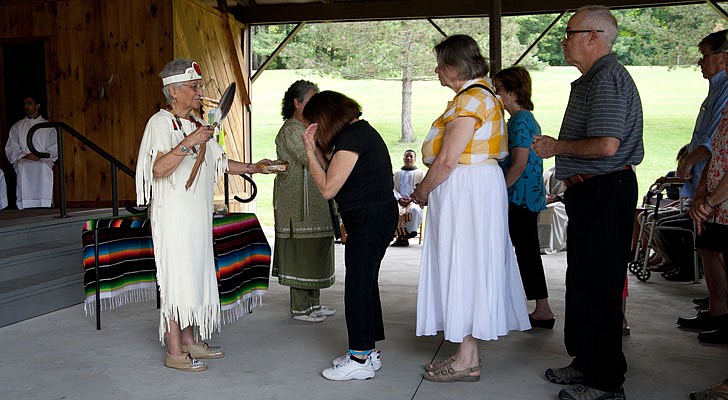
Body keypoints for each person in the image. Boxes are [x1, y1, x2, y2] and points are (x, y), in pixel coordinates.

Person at [532, 6, 644, 400]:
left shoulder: (608, 79)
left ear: (594, 36)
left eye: (570, 32)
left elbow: (606, 144)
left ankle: (606, 380)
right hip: (589, 191)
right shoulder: (590, 80)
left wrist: (554, 147)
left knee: (600, 286)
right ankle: (584, 361)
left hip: (605, 189)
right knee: (582, 282)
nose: (564, 40)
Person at [135, 58, 272, 372]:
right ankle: (174, 352)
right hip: (173, 217)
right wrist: (187, 144)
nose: (200, 92)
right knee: (174, 279)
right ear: (175, 91)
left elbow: (219, 162)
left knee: (193, 276)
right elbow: (157, 169)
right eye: (194, 87)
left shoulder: (197, 124)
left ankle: (190, 340)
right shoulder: (160, 123)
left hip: (196, 217)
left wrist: (254, 167)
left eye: (200, 86)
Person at [411, 34, 530, 383]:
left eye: (439, 64)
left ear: (452, 67)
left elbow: (448, 160)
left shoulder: (471, 99)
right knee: (469, 263)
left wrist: (421, 191)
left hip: (466, 187)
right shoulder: (481, 95)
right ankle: (468, 353)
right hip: (475, 185)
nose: (435, 71)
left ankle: (466, 357)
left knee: (463, 262)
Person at [301, 90, 397, 381]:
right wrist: (314, 146)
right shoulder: (357, 133)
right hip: (372, 217)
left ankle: (359, 358)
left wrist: (307, 151)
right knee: (365, 284)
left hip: (369, 219)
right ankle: (368, 352)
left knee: (357, 286)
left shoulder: (353, 137)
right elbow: (334, 170)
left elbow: (329, 188)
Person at [661, 29, 728, 283]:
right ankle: (716, 303)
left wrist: (689, 160)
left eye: (704, 56)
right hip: (706, 182)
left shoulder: (724, 91)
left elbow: (711, 144)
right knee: (706, 243)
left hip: (716, 186)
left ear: (722, 58)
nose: (700, 62)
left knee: (714, 244)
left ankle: (720, 307)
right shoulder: (716, 90)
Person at [494, 66, 555, 329]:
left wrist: (498, 192)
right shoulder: (525, 119)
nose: (497, 95)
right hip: (525, 196)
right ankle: (540, 307)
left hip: (518, 198)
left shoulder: (520, 122)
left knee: (521, 252)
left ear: (511, 90)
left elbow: (518, 165)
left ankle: (539, 308)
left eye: (498, 90)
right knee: (525, 251)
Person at [272, 80, 337, 323]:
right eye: (310, 100)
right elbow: (306, 157)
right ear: (296, 103)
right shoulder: (291, 129)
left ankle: (314, 304)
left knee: (316, 247)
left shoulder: (310, 127)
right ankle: (300, 307)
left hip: (315, 197)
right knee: (302, 251)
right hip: (297, 201)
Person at [687, 96, 728, 346]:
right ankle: (719, 315)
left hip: (720, 203)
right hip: (715, 205)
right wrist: (701, 194)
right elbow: (714, 155)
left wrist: (710, 201)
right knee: (708, 248)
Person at [5, 95, 57, 209]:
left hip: (43, 159)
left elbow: (54, 147)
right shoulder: (17, 126)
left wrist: (40, 156)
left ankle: (44, 203)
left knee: (43, 167)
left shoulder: (48, 126)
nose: (26, 106)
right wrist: (24, 155)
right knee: (23, 167)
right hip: (24, 158)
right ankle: (25, 204)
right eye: (24, 104)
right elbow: (11, 147)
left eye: (29, 103)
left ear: (37, 105)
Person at [391, 149, 425, 247]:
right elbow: (392, 189)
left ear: (415, 159)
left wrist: (412, 198)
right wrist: (399, 199)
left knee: (415, 209)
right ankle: (398, 236)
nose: (408, 158)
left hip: (414, 200)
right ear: (403, 158)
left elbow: (420, 188)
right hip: (399, 200)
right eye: (407, 156)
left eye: (411, 156)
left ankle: (407, 235)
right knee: (393, 210)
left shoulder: (420, 173)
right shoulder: (396, 174)